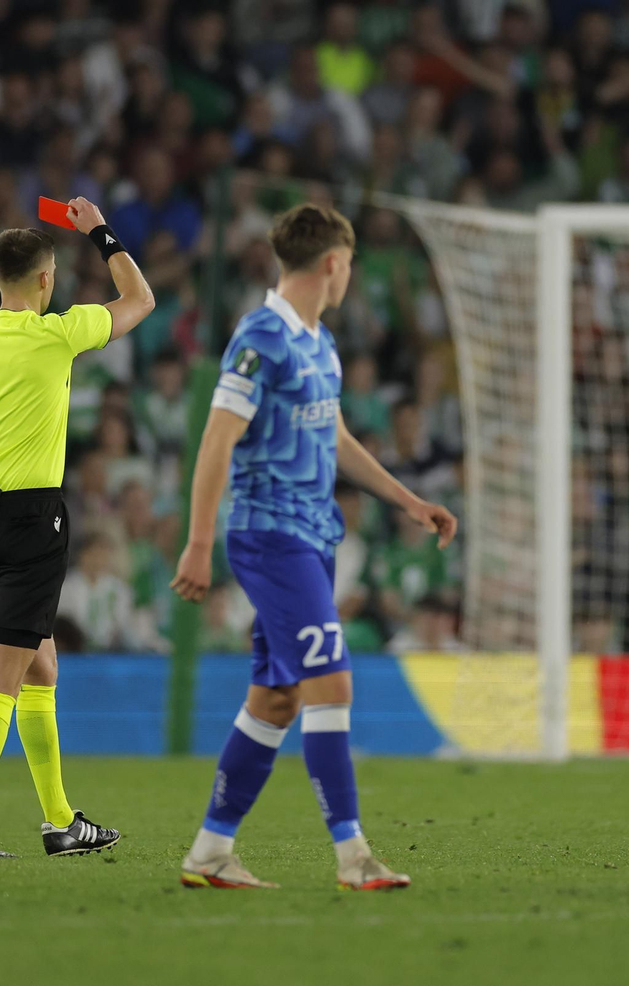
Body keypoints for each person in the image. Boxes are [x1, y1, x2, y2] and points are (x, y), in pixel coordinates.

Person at [171, 203, 457, 891]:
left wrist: (406, 499)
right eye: (351, 265)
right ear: (333, 263)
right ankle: (354, 857)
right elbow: (217, 438)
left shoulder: (318, 342)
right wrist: (198, 541)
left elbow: (332, 438)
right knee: (333, 682)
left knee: (277, 699)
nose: (349, 277)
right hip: (271, 537)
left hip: (314, 535)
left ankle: (210, 851)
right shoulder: (259, 336)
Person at [0, 196, 154, 860]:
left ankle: (59, 822)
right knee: (3, 677)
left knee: (40, 665)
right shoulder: (58, 332)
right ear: (46, 280)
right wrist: (98, 230)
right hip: (31, 523)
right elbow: (140, 299)